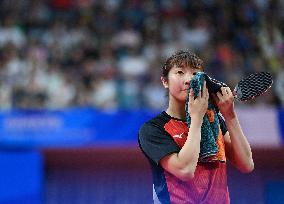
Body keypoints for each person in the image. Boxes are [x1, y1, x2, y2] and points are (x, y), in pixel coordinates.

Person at [138, 50, 254, 204]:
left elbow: (246, 164)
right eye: (180, 72)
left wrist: (230, 116)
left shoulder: (214, 121)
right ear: (165, 81)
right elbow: (185, 170)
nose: (188, 80)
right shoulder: (153, 129)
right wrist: (197, 118)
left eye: (195, 74)